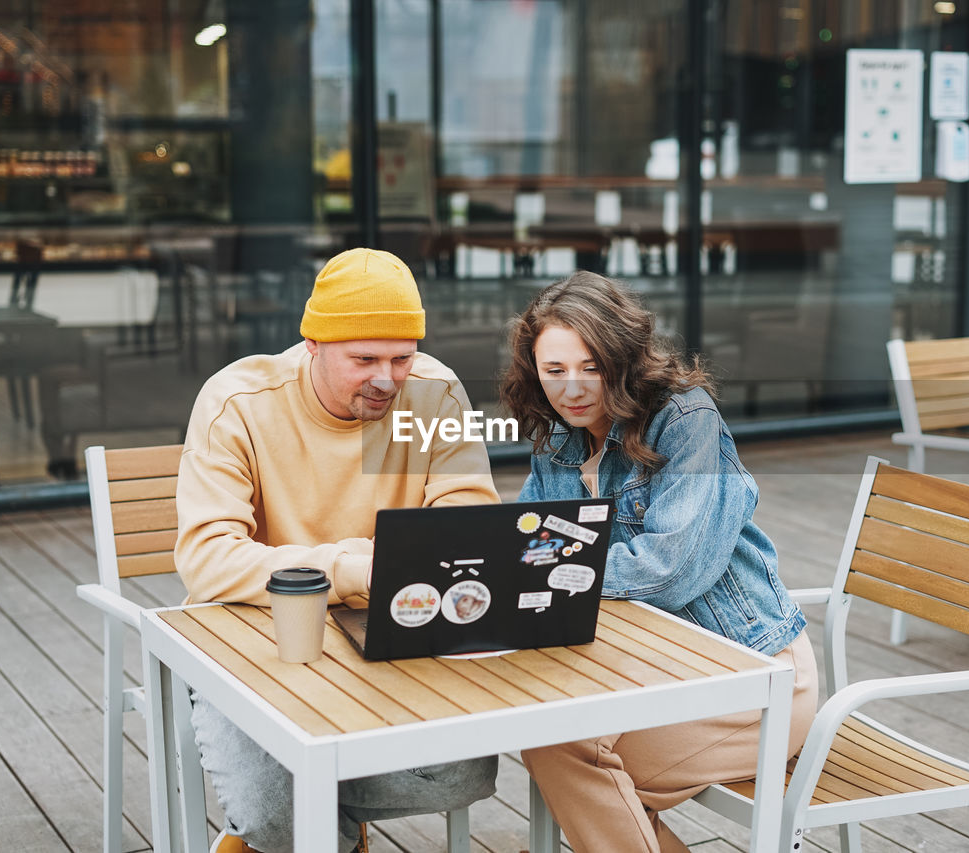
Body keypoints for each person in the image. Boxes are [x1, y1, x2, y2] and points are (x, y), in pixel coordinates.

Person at [174, 247, 500, 853]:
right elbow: (208, 557)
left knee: (466, 773)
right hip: (256, 643)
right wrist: (352, 567)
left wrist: (374, 571)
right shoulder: (238, 402)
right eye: (364, 359)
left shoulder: (435, 395)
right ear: (313, 344)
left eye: (402, 357)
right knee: (275, 816)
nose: (386, 378)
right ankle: (312, 831)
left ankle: (306, 825)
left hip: (387, 634)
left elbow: (469, 527)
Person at [498, 271, 818, 853]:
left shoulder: (685, 418)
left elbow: (670, 570)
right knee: (558, 746)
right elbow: (527, 542)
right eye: (554, 370)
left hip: (753, 678)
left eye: (590, 366)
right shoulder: (561, 439)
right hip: (650, 671)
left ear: (622, 357)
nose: (571, 388)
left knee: (569, 756)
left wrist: (556, 569)